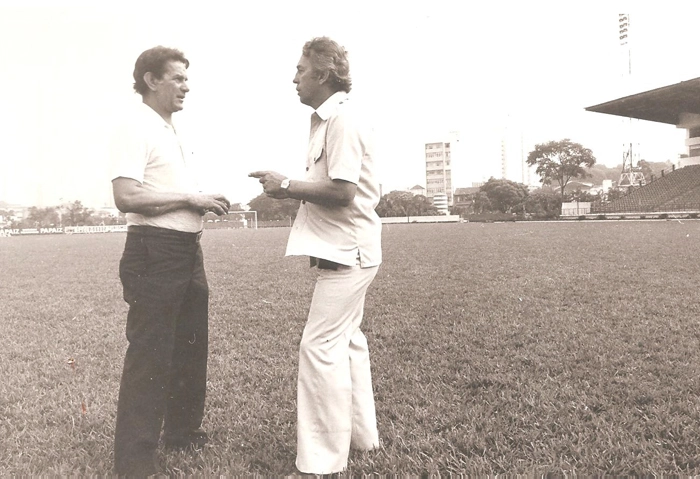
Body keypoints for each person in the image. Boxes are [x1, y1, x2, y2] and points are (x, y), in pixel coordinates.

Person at [249, 36, 382, 475]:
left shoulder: (342, 121)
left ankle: (323, 463)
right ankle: (363, 440)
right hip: (347, 250)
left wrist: (284, 186)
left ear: (323, 74)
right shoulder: (327, 120)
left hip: (350, 253)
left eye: (301, 70)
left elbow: (342, 192)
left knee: (319, 346)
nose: (294, 77)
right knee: (345, 343)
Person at [110, 45, 230, 477]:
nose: (186, 86)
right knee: (151, 354)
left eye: (186, 78)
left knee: (190, 344)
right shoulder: (135, 126)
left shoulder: (169, 128)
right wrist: (190, 197)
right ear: (150, 80)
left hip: (186, 250)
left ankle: (181, 432)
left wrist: (200, 200)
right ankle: (135, 461)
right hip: (154, 251)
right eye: (177, 77)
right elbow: (126, 196)